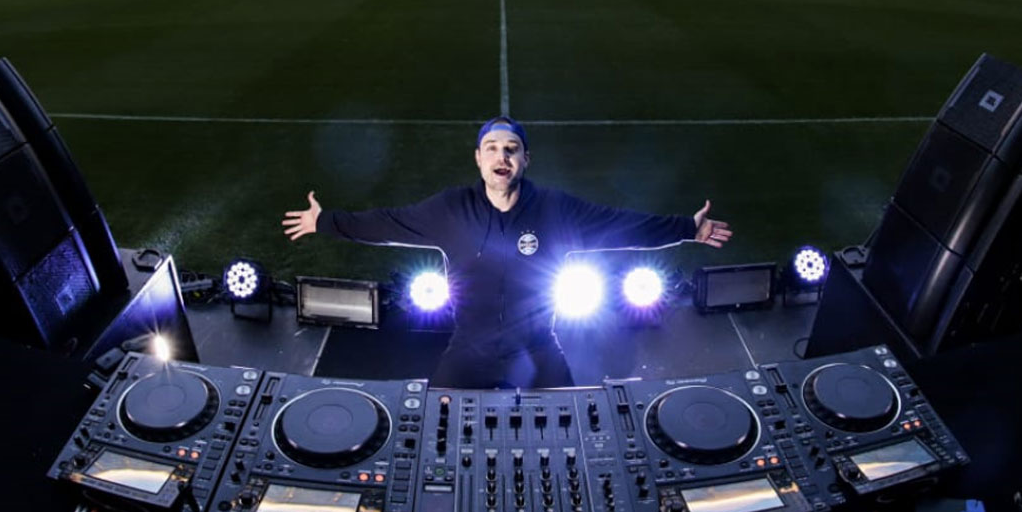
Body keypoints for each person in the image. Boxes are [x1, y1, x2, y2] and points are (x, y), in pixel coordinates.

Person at [282, 116, 731, 388]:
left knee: (570, 433)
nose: (503, 157)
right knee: (436, 434)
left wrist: (687, 229)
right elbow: (385, 223)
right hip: (467, 349)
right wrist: (324, 221)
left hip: (538, 349)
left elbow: (621, 225)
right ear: (478, 158)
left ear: (525, 160)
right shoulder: (451, 209)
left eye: (512, 149)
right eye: (493, 149)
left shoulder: (556, 210)